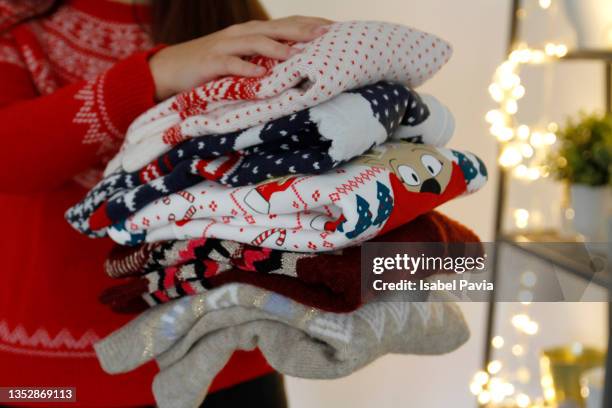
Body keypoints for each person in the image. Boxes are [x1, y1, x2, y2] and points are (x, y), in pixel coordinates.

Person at [0, 0, 330, 406]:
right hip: (49, 377)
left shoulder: (228, 15)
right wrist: (155, 73)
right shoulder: (15, 21)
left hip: (225, 358)